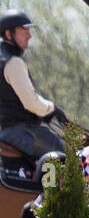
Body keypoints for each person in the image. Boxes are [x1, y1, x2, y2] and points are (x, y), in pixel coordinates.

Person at [0, 9, 66, 162]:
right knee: (71, 155)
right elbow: (31, 103)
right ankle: (51, 187)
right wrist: (52, 109)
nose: (29, 36)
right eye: (24, 30)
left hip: (6, 131)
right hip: (22, 132)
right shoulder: (14, 63)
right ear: (9, 34)